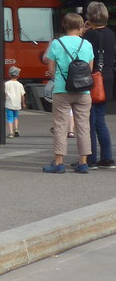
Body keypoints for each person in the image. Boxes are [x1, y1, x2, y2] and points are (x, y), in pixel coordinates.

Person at [42, 12, 94, 173]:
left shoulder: (57, 43)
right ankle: (83, 162)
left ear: (64, 25)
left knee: (60, 126)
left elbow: (50, 69)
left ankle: (58, 163)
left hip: (62, 90)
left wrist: (59, 75)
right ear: (80, 27)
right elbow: (90, 69)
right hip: (83, 92)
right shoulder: (87, 44)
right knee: (83, 126)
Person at [83, 1, 115, 168]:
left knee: (89, 121)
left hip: (93, 81)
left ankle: (90, 157)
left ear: (90, 17)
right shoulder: (110, 33)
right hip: (107, 80)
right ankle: (107, 157)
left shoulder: (90, 36)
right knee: (100, 120)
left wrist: (82, 31)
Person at [4, 65, 25, 137]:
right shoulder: (20, 84)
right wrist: (23, 103)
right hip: (17, 104)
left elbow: (4, 93)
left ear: (9, 74)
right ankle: (16, 129)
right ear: (18, 75)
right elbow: (22, 95)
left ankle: (10, 133)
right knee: (15, 117)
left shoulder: (6, 84)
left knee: (9, 118)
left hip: (9, 104)